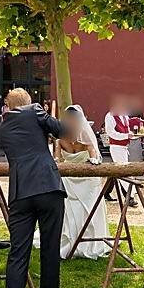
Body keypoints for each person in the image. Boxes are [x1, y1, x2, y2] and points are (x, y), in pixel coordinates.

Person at [0, 88, 67, 288]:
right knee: (49, 249)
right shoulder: (34, 111)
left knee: (18, 255)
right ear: (28, 102)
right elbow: (61, 130)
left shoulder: (3, 128)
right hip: (47, 187)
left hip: (19, 193)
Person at [56, 105, 108, 259]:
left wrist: (93, 160)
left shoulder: (85, 135)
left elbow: (93, 154)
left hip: (85, 178)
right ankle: (70, 240)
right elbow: (58, 159)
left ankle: (89, 240)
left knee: (90, 201)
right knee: (68, 206)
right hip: (68, 179)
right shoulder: (60, 139)